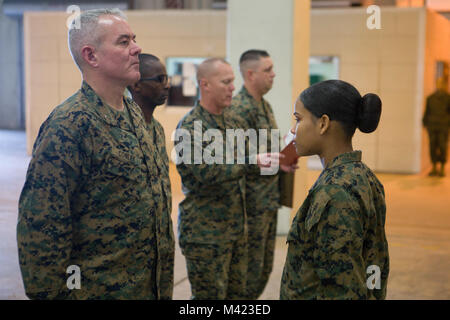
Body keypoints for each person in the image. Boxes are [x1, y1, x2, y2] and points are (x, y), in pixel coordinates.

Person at [17, 9, 174, 300]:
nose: (137, 48)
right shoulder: (70, 125)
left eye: (134, 39)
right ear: (91, 56)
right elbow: (42, 228)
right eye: (124, 42)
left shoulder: (136, 117)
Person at [174, 58, 282, 299]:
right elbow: (207, 173)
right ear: (205, 85)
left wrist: (276, 160)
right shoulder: (190, 127)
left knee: (238, 298)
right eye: (226, 82)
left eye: (233, 81)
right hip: (205, 235)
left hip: (236, 230)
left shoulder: (232, 122)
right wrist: (252, 161)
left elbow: (249, 161)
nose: (233, 87)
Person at [280, 80, 390, 300]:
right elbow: (374, 265)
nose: (293, 129)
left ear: (323, 123)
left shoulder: (334, 193)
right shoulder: (364, 177)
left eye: (298, 119)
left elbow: (342, 288)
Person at [228, 49, 290, 299]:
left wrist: (282, 162)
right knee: (246, 277)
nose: (273, 74)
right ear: (250, 74)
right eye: (268, 70)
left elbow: (265, 152)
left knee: (263, 270)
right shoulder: (238, 109)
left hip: (267, 202)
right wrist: (265, 162)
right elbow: (235, 160)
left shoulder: (264, 105)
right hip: (249, 207)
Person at [127, 53, 175, 299]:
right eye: (159, 78)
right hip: (128, 268)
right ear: (136, 84)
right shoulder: (121, 128)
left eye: (167, 78)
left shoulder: (156, 129)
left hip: (159, 259)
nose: (167, 84)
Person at [422, 78, 450, 177]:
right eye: (438, 83)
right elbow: (427, 112)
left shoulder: (448, 98)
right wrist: (424, 123)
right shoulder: (430, 98)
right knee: (432, 146)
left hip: (443, 126)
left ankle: (442, 167)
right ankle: (434, 167)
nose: (439, 85)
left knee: (442, 147)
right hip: (432, 126)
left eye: (441, 83)